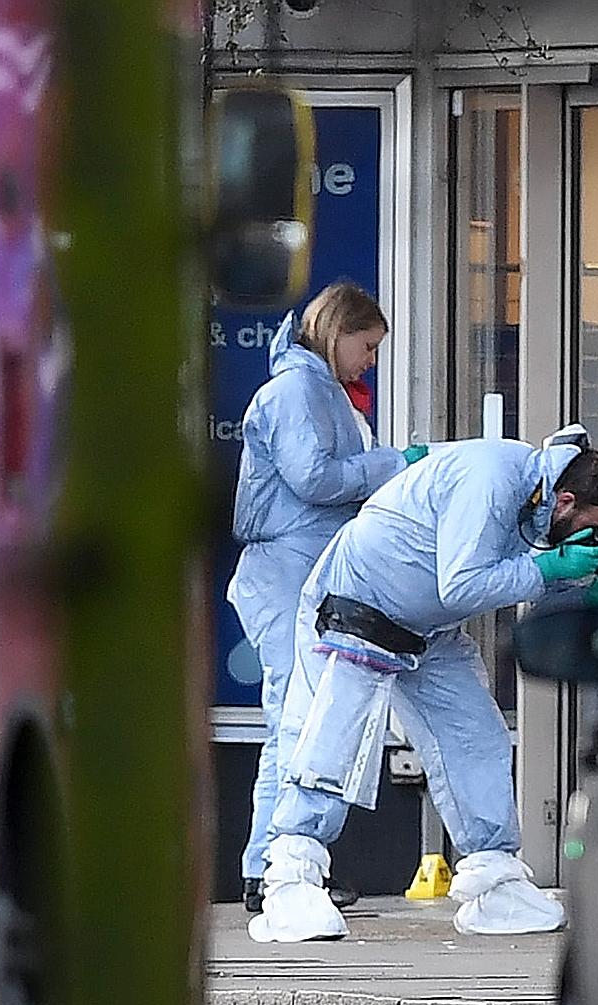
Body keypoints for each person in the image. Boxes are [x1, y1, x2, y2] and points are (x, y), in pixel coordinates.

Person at [249, 427, 598, 943]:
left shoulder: (532, 495)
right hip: (358, 607)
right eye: (590, 526)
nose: (587, 536)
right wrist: (549, 570)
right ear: (565, 499)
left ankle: (493, 881)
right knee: (331, 746)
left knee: (476, 738)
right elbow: (463, 583)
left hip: (423, 625)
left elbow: (497, 569)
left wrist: (580, 578)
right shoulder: (493, 478)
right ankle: (289, 881)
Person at [227, 282, 428, 914]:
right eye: (366, 346)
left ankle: (278, 864)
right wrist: (394, 463)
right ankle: (271, 867)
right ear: (338, 331)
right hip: (286, 570)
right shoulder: (296, 391)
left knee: (300, 717)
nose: (370, 360)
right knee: (297, 718)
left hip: (298, 567)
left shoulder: (316, 390)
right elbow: (313, 477)